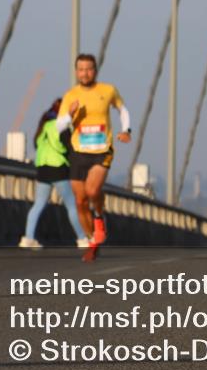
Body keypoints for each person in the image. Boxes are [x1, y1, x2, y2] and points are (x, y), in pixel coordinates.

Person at [57, 54, 131, 262]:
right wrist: (69, 115)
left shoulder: (107, 90)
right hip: (78, 152)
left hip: (101, 151)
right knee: (80, 202)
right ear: (76, 71)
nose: (85, 73)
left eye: (89, 69)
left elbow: (122, 110)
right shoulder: (70, 95)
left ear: (95, 70)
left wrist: (126, 130)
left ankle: (99, 216)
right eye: (81, 69)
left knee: (92, 191)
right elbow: (59, 126)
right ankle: (92, 240)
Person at [19, 98, 89, 249]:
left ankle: (28, 238)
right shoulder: (60, 127)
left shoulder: (43, 127)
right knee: (71, 205)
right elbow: (70, 148)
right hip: (58, 168)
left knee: (38, 204)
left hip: (42, 168)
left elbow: (36, 145)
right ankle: (82, 239)